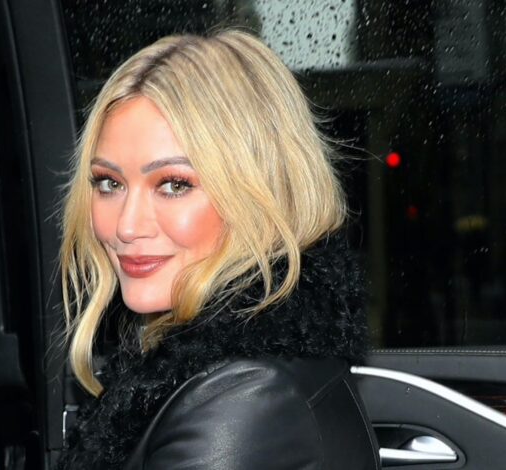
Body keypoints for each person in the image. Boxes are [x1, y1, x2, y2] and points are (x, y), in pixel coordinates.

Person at [57, 30, 379, 470]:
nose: (126, 226)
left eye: (174, 185)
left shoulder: (245, 398)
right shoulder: (226, 368)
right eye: (109, 183)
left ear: (259, 192)